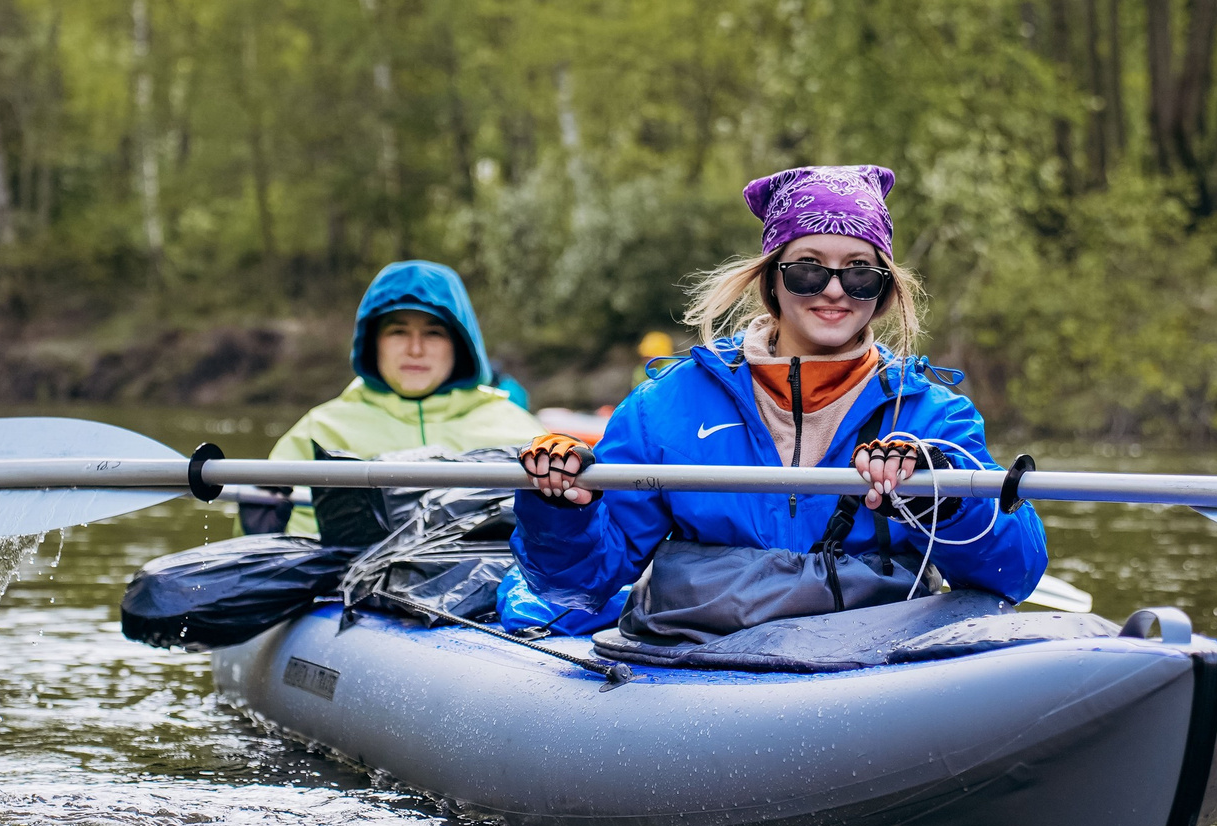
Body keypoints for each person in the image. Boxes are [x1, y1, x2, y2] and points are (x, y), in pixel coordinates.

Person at [503, 164, 1044, 639]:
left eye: (860, 272)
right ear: (771, 280)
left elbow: (1013, 576)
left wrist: (944, 501)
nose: (834, 290)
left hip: (872, 665)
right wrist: (559, 508)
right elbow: (581, 584)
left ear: (882, 290)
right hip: (693, 657)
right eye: (808, 269)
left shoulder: (934, 417)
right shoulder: (663, 407)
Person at [252, 260, 539, 536]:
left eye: (433, 333)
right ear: (373, 342)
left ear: (459, 344)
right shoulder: (318, 432)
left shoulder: (522, 433)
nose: (415, 349)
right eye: (398, 332)